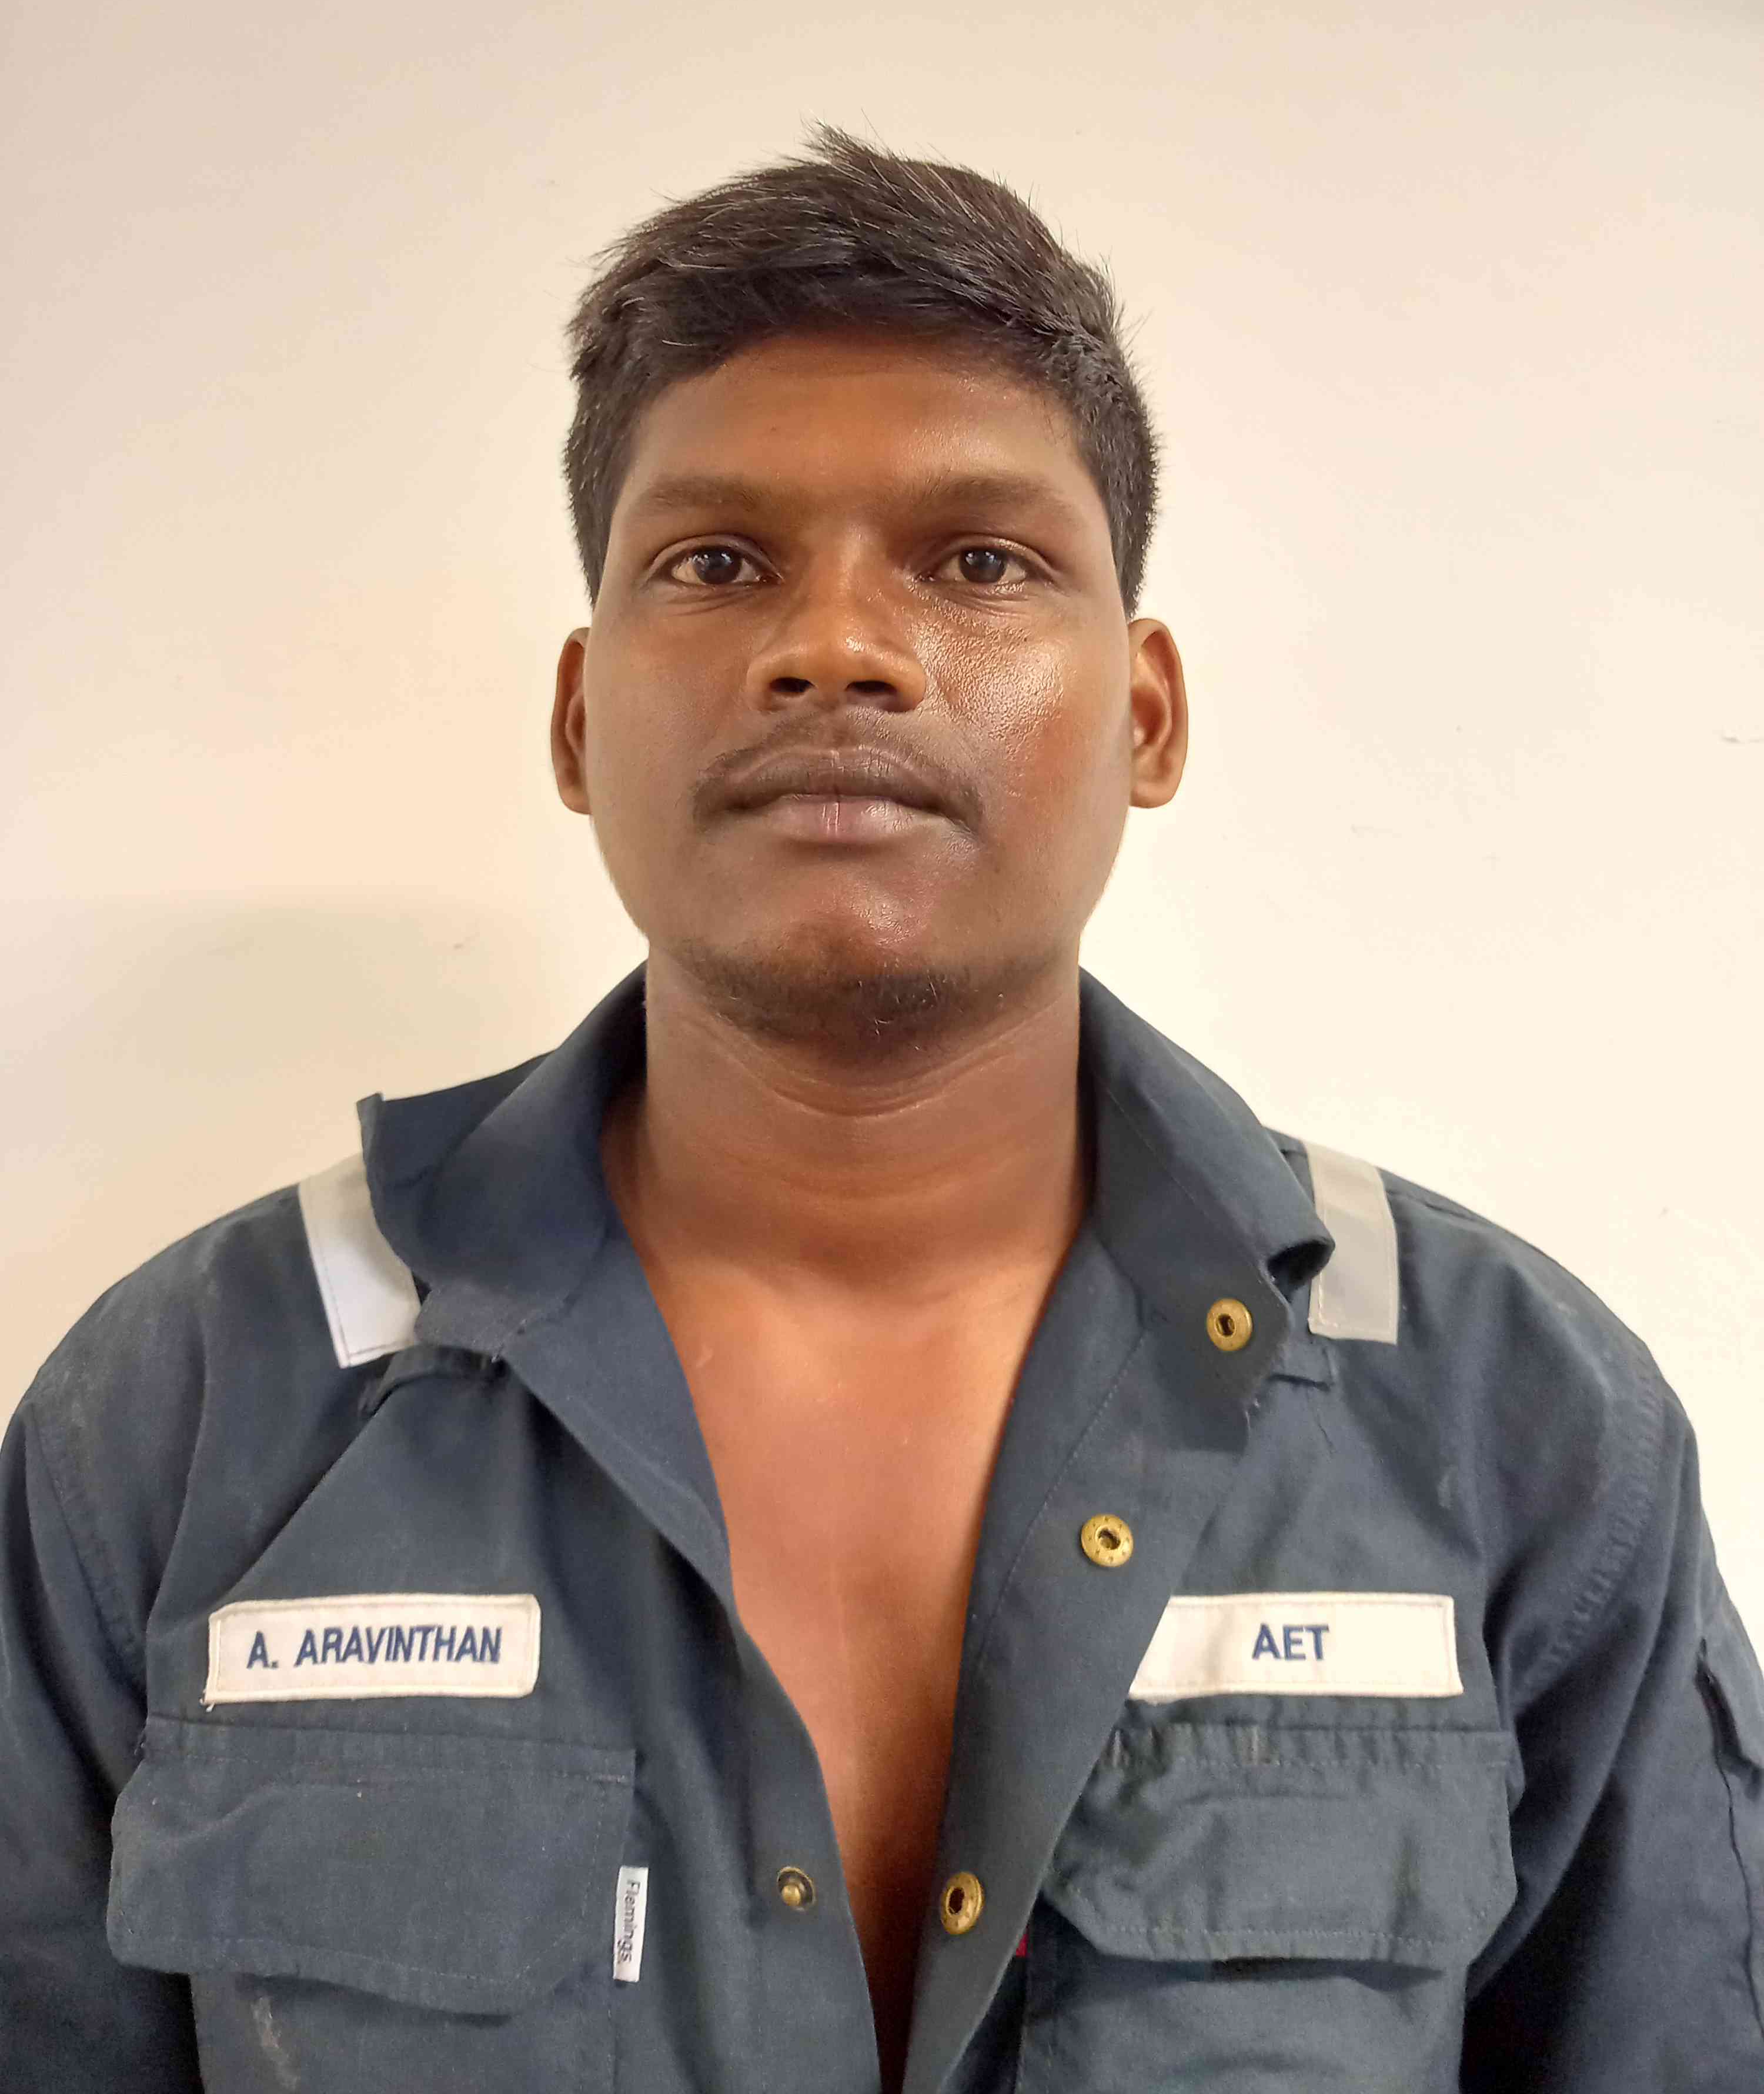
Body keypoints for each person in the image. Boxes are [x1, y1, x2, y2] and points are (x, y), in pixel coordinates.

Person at [2, 127, 1760, 2094]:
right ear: (580, 720)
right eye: (717, 563)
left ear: (1147, 713)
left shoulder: (1509, 1421)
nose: (833, 645)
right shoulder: (184, 1419)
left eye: (978, 562)